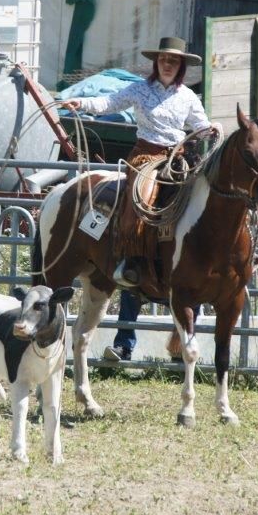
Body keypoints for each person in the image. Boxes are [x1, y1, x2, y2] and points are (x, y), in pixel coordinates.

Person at [61, 35, 213, 362]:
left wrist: (211, 129)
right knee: (141, 200)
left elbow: (201, 126)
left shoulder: (187, 96)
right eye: (164, 59)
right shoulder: (139, 90)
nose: (168, 64)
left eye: (173, 61)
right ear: (157, 62)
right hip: (146, 158)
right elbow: (110, 103)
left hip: (178, 160)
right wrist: (82, 104)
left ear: (180, 66)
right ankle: (131, 257)